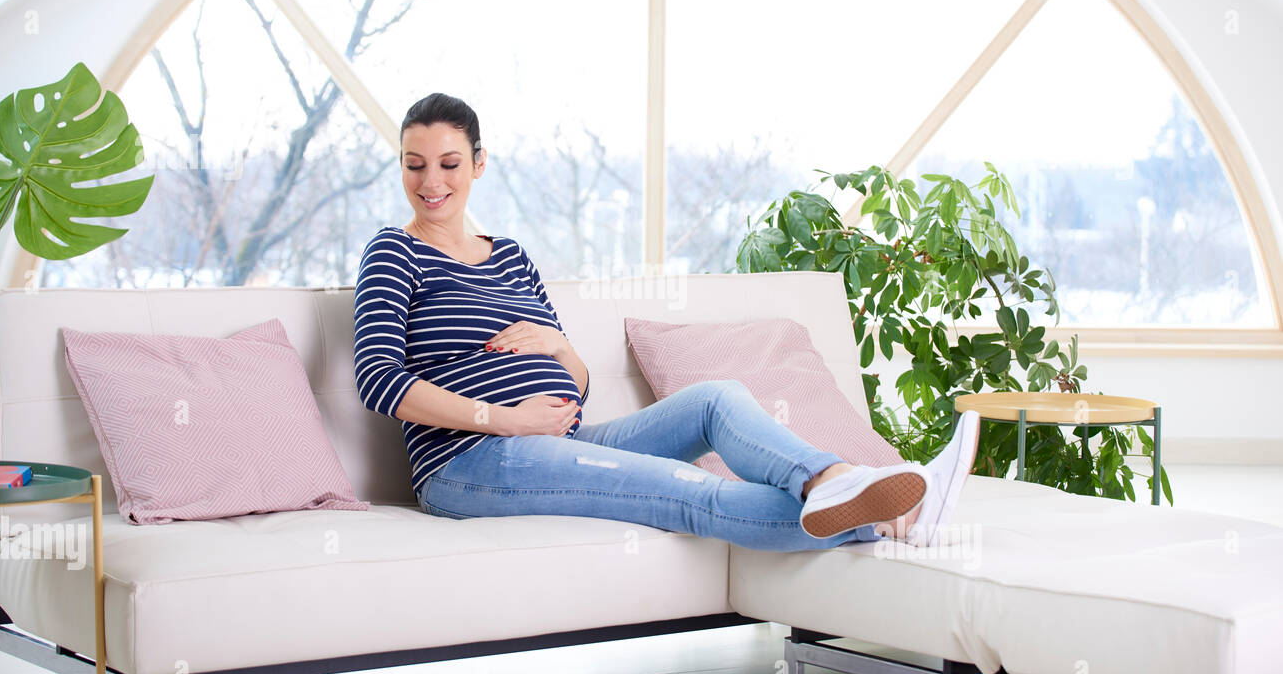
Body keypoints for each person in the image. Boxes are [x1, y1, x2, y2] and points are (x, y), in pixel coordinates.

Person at [353, 92, 981, 552]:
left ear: (478, 164)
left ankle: (832, 477)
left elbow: (576, 382)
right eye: (415, 164)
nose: (431, 182)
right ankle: (891, 516)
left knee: (716, 400)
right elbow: (377, 381)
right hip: (470, 465)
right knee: (685, 490)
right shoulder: (393, 251)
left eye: (448, 163)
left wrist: (557, 349)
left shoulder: (511, 254)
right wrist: (506, 418)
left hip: (563, 441)